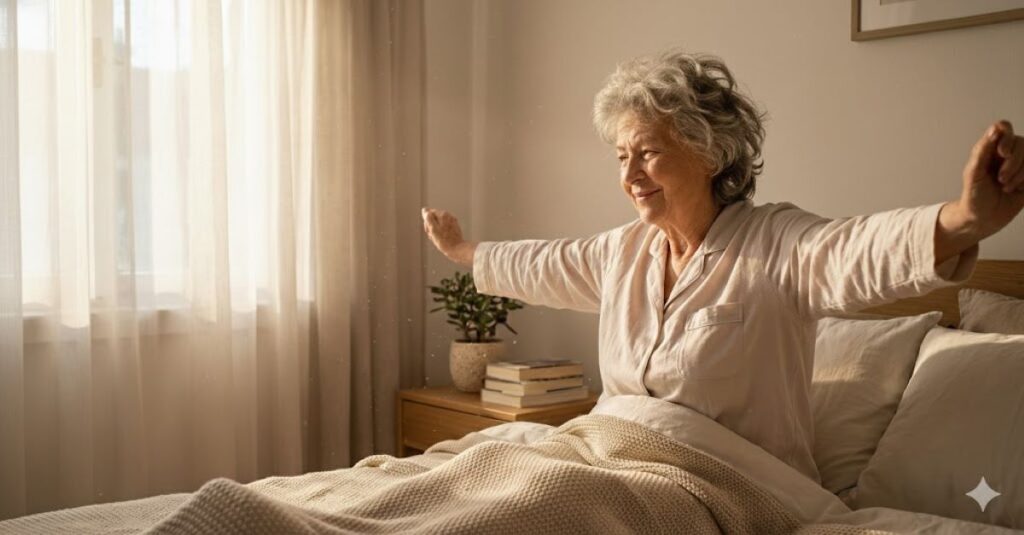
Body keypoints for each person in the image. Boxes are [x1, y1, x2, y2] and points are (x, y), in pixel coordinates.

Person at [421, 50, 1024, 483]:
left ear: (709, 152)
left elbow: (857, 249)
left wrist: (967, 219)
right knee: (453, 480)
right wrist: (465, 252)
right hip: (609, 458)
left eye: (649, 153)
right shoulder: (624, 251)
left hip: (722, 486)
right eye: (622, 156)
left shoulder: (775, 244)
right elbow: (543, 264)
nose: (630, 175)